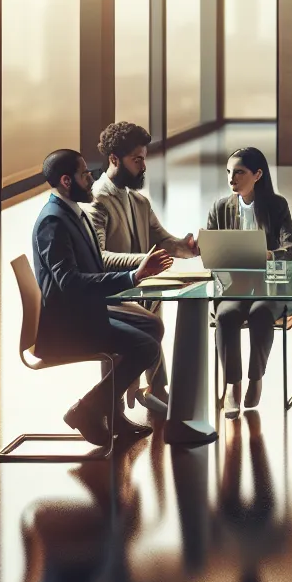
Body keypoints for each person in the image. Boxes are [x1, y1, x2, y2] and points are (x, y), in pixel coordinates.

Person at [29, 148, 175, 446]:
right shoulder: (53, 223)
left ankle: (111, 411)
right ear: (67, 181)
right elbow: (69, 284)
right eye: (85, 175)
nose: (92, 178)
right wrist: (133, 276)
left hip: (84, 311)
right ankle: (87, 410)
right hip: (67, 326)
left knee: (152, 326)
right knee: (146, 347)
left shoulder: (72, 210)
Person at [89, 121, 198, 412]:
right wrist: (143, 263)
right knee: (151, 314)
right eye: (136, 160)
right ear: (114, 158)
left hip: (140, 288)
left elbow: (163, 240)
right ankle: (127, 400)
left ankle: (156, 388)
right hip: (113, 292)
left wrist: (188, 248)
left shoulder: (138, 200)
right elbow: (97, 257)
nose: (143, 166)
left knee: (155, 304)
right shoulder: (96, 200)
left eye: (144, 159)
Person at [207, 147, 292, 418]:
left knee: (261, 312)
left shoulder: (276, 205)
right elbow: (213, 248)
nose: (231, 178)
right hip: (235, 286)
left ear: (258, 174)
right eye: (228, 172)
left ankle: (255, 377)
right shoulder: (220, 207)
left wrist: (270, 254)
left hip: (271, 286)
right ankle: (232, 387)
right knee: (225, 315)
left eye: (239, 172)